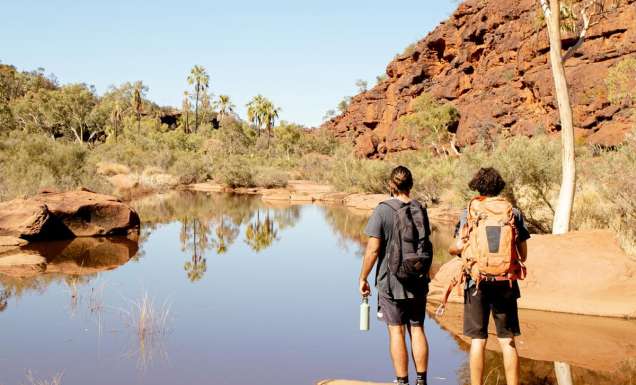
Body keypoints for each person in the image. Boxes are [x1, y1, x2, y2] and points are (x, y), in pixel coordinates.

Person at [449, 167, 530, 385]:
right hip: (506, 283)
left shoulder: (470, 212)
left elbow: (458, 245)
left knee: (478, 340)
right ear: (499, 186)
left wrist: (457, 250)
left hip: (477, 282)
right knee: (507, 341)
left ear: (478, 187)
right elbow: (523, 254)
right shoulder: (513, 212)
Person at [359, 166, 431, 385]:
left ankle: (402, 382)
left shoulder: (383, 210)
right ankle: (422, 380)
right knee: (417, 328)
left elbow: (372, 250)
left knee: (396, 332)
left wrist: (363, 277)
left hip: (391, 282)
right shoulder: (421, 208)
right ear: (411, 184)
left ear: (391, 184)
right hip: (417, 280)